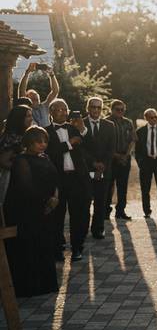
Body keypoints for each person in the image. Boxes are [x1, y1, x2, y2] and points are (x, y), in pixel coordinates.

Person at [3, 127, 60, 295]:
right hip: (27, 211)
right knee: (29, 247)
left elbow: (55, 178)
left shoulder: (45, 157)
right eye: (38, 141)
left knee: (45, 244)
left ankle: (46, 284)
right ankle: (30, 286)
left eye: (45, 141)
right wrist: (46, 200)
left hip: (47, 209)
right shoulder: (21, 160)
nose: (42, 145)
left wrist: (55, 196)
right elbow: (25, 187)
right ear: (29, 142)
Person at [45, 101, 91, 261]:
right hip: (58, 180)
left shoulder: (74, 129)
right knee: (57, 216)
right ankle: (57, 248)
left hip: (77, 179)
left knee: (78, 215)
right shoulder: (46, 132)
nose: (63, 112)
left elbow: (86, 146)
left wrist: (83, 129)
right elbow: (52, 152)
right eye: (59, 109)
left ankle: (77, 248)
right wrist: (69, 144)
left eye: (65, 109)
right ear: (51, 112)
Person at [83, 97, 116, 240]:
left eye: (98, 108)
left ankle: (98, 229)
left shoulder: (109, 125)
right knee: (84, 201)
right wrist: (93, 164)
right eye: (93, 107)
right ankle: (82, 229)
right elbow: (80, 149)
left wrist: (101, 166)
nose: (96, 110)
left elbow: (111, 148)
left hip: (104, 169)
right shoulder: (80, 124)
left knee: (101, 202)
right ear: (88, 108)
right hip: (85, 169)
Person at [107, 100, 135, 220]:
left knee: (123, 187)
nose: (120, 112)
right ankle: (105, 211)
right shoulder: (106, 122)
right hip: (110, 159)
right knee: (108, 186)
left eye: (122, 110)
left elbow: (133, 140)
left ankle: (120, 211)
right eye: (117, 109)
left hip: (125, 159)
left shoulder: (128, 122)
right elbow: (104, 143)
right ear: (112, 109)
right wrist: (116, 155)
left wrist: (126, 156)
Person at [18, 62, 60, 128]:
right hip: (32, 136)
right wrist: (27, 72)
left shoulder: (44, 107)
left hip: (47, 135)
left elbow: (55, 91)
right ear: (27, 99)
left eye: (37, 99)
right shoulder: (26, 109)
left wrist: (52, 75)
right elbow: (21, 90)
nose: (35, 100)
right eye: (33, 99)